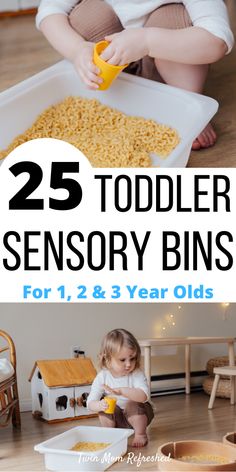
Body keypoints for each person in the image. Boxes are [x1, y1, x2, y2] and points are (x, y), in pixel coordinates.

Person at [36, 0, 234, 150]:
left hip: (167, 67)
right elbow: (50, 11)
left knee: (173, 19)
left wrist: (148, 41)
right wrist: (77, 49)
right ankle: (116, 93)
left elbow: (217, 39)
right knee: (87, 14)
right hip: (114, 65)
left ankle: (188, 105)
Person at [86, 328, 154, 447]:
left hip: (138, 416)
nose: (128, 364)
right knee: (105, 407)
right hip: (117, 420)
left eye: (132, 358)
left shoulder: (136, 373)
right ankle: (111, 434)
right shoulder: (103, 376)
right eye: (122, 360)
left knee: (131, 404)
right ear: (107, 359)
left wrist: (122, 391)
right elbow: (90, 403)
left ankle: (140, 434)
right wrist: (99, 405)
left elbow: (144, 396)